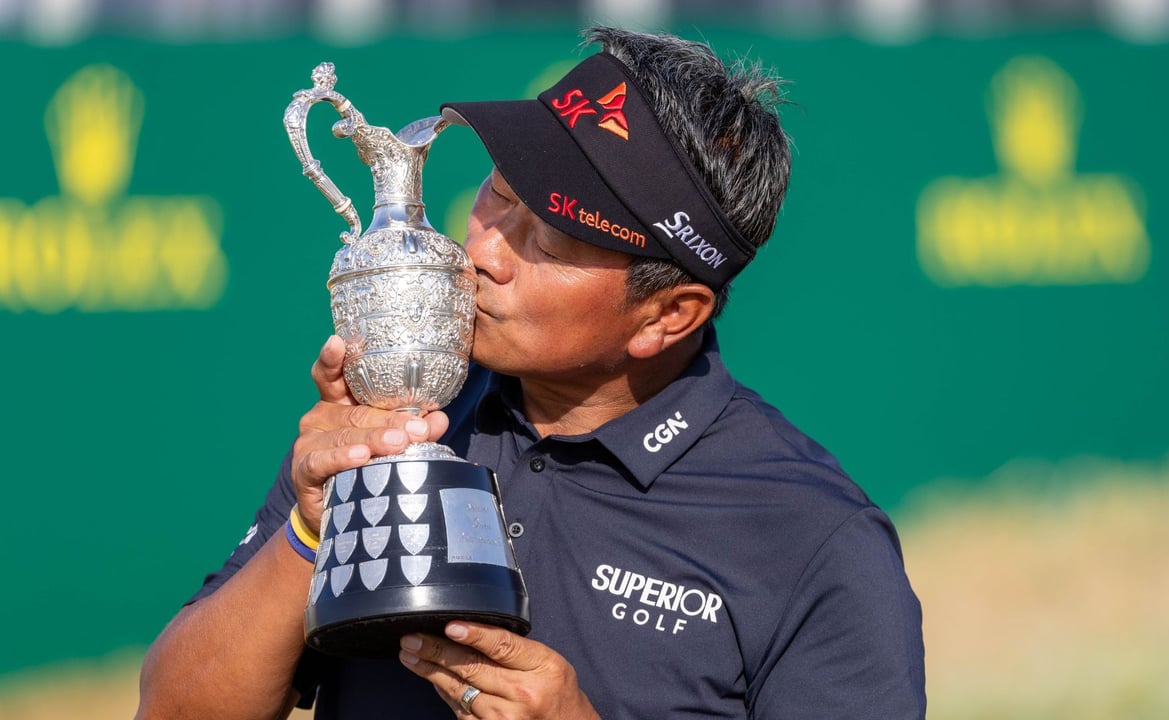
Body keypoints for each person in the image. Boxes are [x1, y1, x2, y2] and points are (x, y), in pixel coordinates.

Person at [138, 25, 925, 720]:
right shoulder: (394, 417)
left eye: (545, 243)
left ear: (667, 316)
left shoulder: (811, 539)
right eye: (496, 194)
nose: (480, 250)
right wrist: (311, 528)